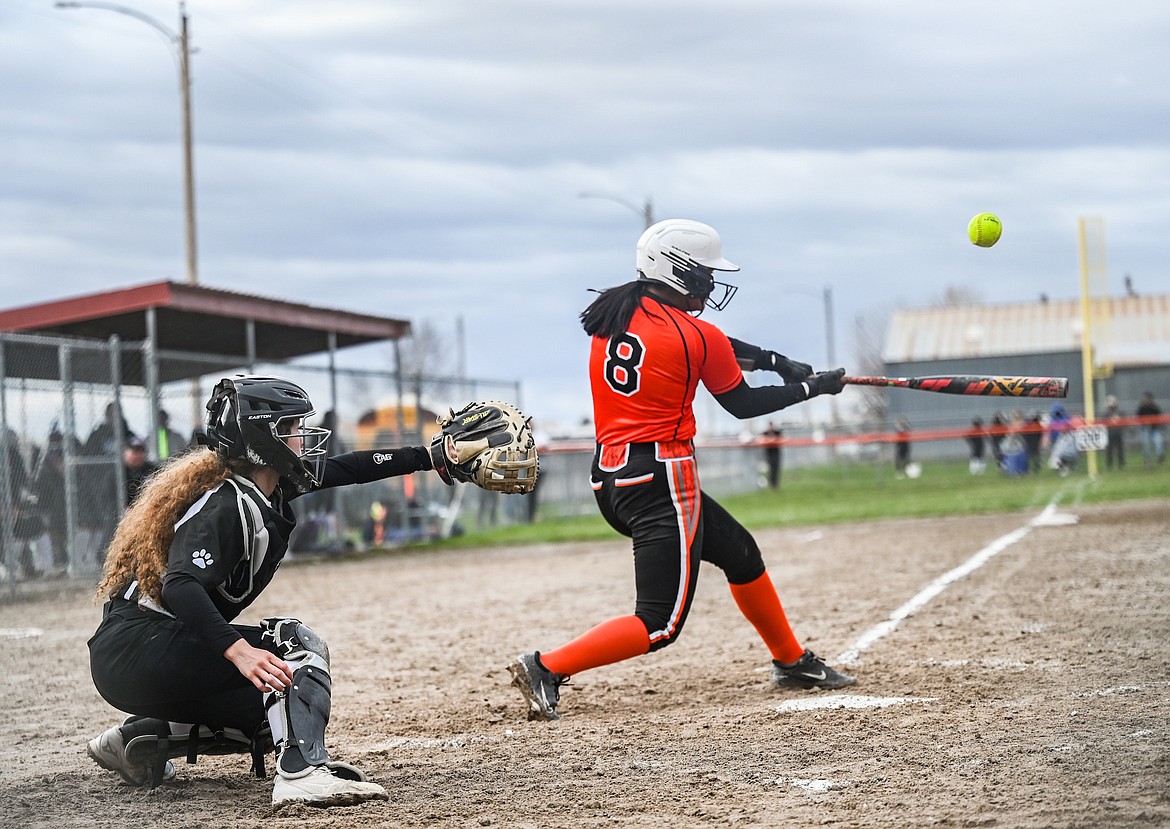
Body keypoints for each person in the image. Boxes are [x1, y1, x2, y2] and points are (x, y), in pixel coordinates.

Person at [507, 218, 853, 723]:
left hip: (613, 476)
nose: (710, 285)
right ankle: (546, 667)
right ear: (675, 271)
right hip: (662, 480)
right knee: (658, 624)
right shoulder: (696, 335)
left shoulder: (617, 310)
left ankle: (791, 660)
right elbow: (740, 401)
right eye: (703, 274)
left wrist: (778, 360)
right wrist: (810, 388)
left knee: (740, 553)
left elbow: (707, 342)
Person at [86, 375, 488, 807]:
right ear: (264, 436)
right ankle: (302, 774)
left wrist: (431, 457)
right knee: (294, 646)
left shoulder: (267, 486)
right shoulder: (227, 502)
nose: (303, 436)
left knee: (276, 712)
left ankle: (134, 740)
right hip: (138, 647)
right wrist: (239, 651)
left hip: (136, 658)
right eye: (293, 427)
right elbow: (181, 584)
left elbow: (349, 468)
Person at [122, 436, 160, 506]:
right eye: (135, 451)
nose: (138, 455)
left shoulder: (154, 470)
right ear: (125, 453)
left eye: (141, 451)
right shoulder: (117, 472)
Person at [1136, 391, 1165, 467]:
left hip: (1155, 429)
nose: (1146, 400)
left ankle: (1160, 456)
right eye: (1145, 399)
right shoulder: (1141, 408)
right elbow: (1138, 418)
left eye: (1148, 399)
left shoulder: (1155, 407)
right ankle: (1147, 459)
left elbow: (1160, 417)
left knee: (1158, 442)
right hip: (1145, 429)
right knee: (1146, 445)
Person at [1102, 395, 1126, 471]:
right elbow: (1103, 421)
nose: (1111, 403)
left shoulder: (1119, 412)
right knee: (1109, 450)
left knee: (1120, 449)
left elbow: (1124, 419)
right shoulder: (1106, 413)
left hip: (1118, 432)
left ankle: (1121, 464)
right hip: (1109, 433)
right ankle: (1110, 465)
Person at [762, 421, 782, 489]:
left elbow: (782, 440)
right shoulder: (765, 433)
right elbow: (762, 441)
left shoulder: (777, 432)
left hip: (776, 452)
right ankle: (771, 484)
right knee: (771, 469)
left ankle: (775, 484)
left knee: (776, 469)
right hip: (769, 453)